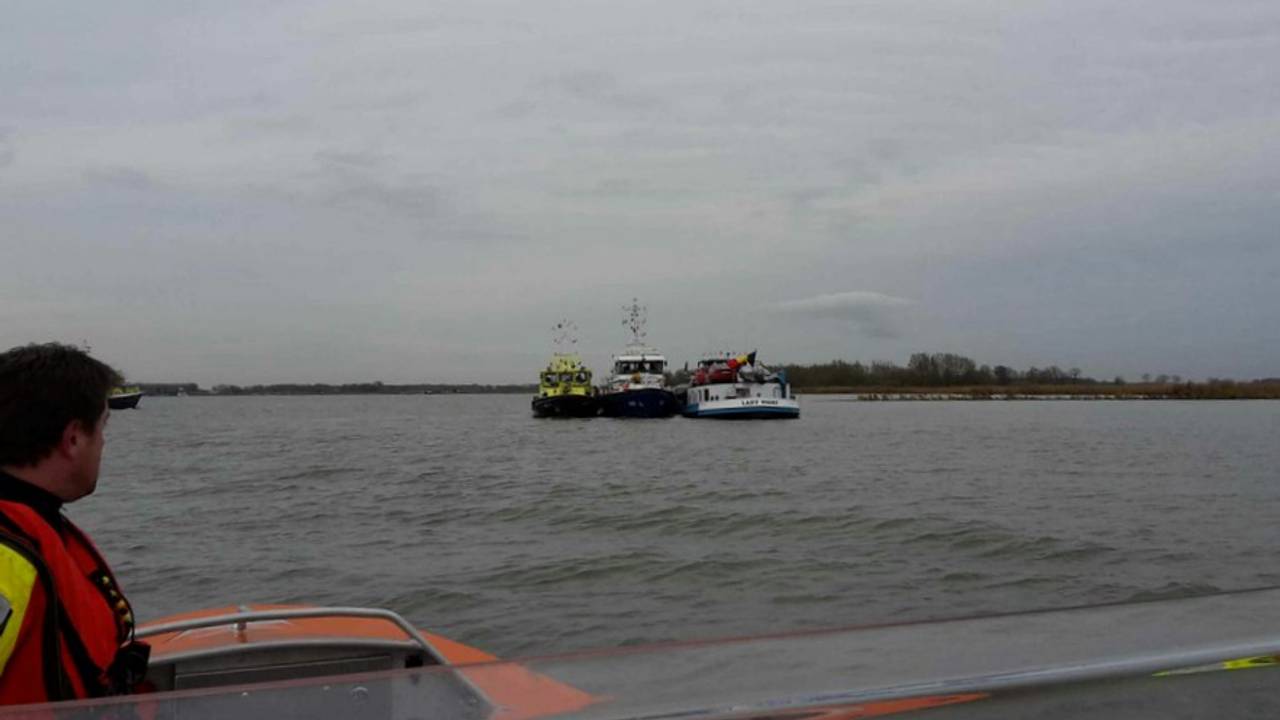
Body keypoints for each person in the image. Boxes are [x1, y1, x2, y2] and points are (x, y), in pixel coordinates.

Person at [0, 343, 148, 704]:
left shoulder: (32, 523)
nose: (103, 443)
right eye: (102, 428)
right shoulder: (6, 560)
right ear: (73, 438)